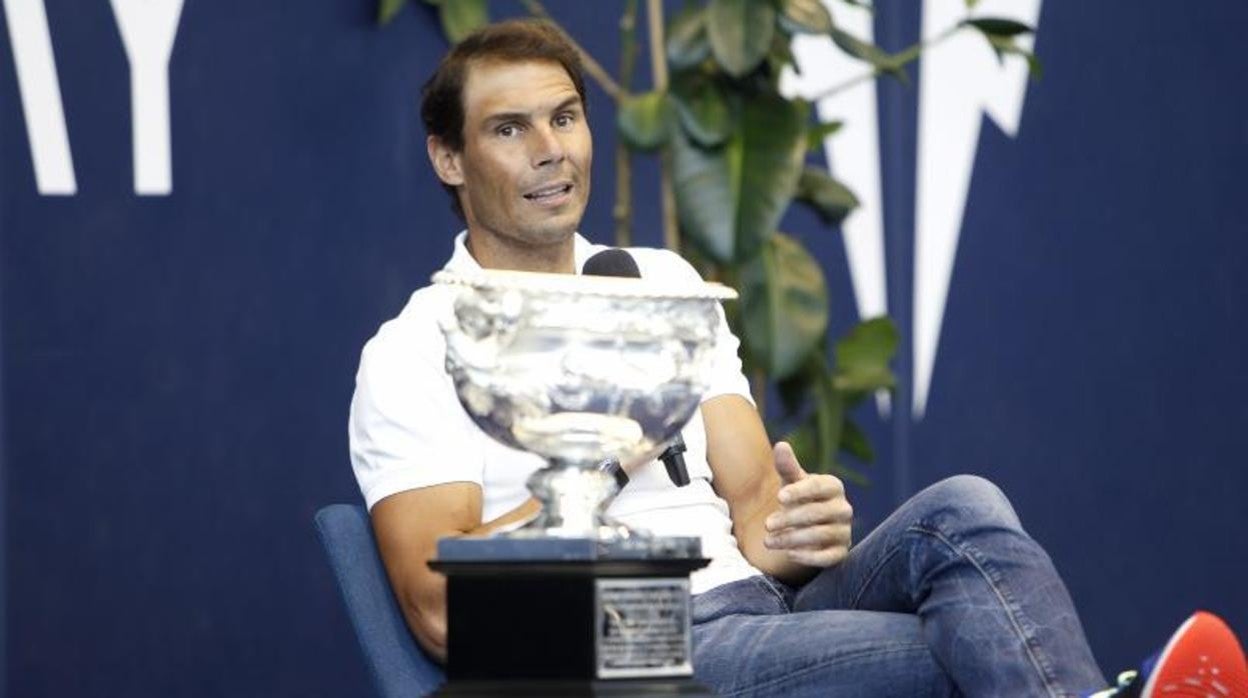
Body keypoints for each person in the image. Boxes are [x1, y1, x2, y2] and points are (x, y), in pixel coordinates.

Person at [348, 18, 1248, 697]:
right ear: (448, 158)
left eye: (567, 117)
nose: (551, 151)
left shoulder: (662, 283)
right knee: (960, 652)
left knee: (961, 513)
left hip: (760, 611)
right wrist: (615, 449)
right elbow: (439, 612)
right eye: (509, 130)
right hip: (626, 640)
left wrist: (798, 529)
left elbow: (753, 515)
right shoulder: (417, 349)